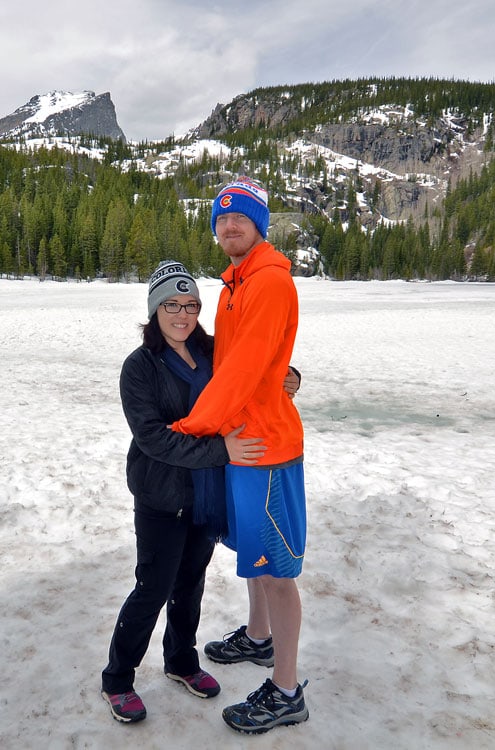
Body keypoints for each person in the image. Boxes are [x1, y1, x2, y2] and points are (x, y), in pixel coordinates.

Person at [100, 260, 299, 724]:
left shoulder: (214, 351)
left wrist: (290, 377)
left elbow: (256, 367)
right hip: (162, 496)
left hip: (205, 494)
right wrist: (221, 450)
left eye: (190, 304)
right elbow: (154, 438)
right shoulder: (140, 367)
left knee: (191, 583)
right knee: (153, 587)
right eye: (171, 304)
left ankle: (181, 661)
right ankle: (118, 678)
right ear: (155, 309)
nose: (182, 314)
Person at [172, 176, 309, 734]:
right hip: (243, 441)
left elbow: (246, 369)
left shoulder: (269, 282)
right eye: (221, 218)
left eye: (241, 217)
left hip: (267, 447)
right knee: (254, 554)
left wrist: (190, 428)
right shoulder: (235, 285)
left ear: (260, 224)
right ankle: (259, 638)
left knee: (276, 569)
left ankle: (286, 687)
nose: (229, 225)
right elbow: (237, 357)